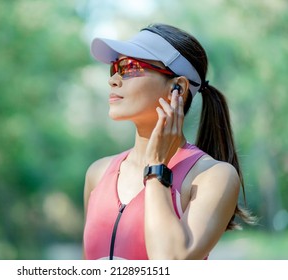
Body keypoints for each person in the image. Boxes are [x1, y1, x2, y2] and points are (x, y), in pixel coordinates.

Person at [82, 23, 254, 260]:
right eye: (114, 67)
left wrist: (156, 169)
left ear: (178, 88)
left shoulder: (214, 177)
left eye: (129, 67)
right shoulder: (98, 174)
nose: (113, 79)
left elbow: (171, 264)